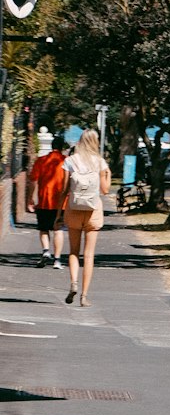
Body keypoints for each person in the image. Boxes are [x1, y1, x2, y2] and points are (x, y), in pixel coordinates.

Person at [59, 129, 112, 307]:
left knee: (73, 251)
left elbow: (65, 190)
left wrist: (59, 213)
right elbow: (105, 190)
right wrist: (108, 174)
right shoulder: (100, 162)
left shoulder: (70, 160)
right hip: (93, 210)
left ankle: (73, 282)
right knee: (88, 255)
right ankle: (84, 296)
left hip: (73, 209)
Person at [26, 134, 68, 271]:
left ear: (52, 146)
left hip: (44, 200)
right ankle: (57, 260)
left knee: (43, 229)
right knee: (58, 229)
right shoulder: (67, 162)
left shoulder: (41, 160)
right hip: (61, 203)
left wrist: (30, 198)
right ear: (62, 147)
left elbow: (33, 181)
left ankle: (45, 251)